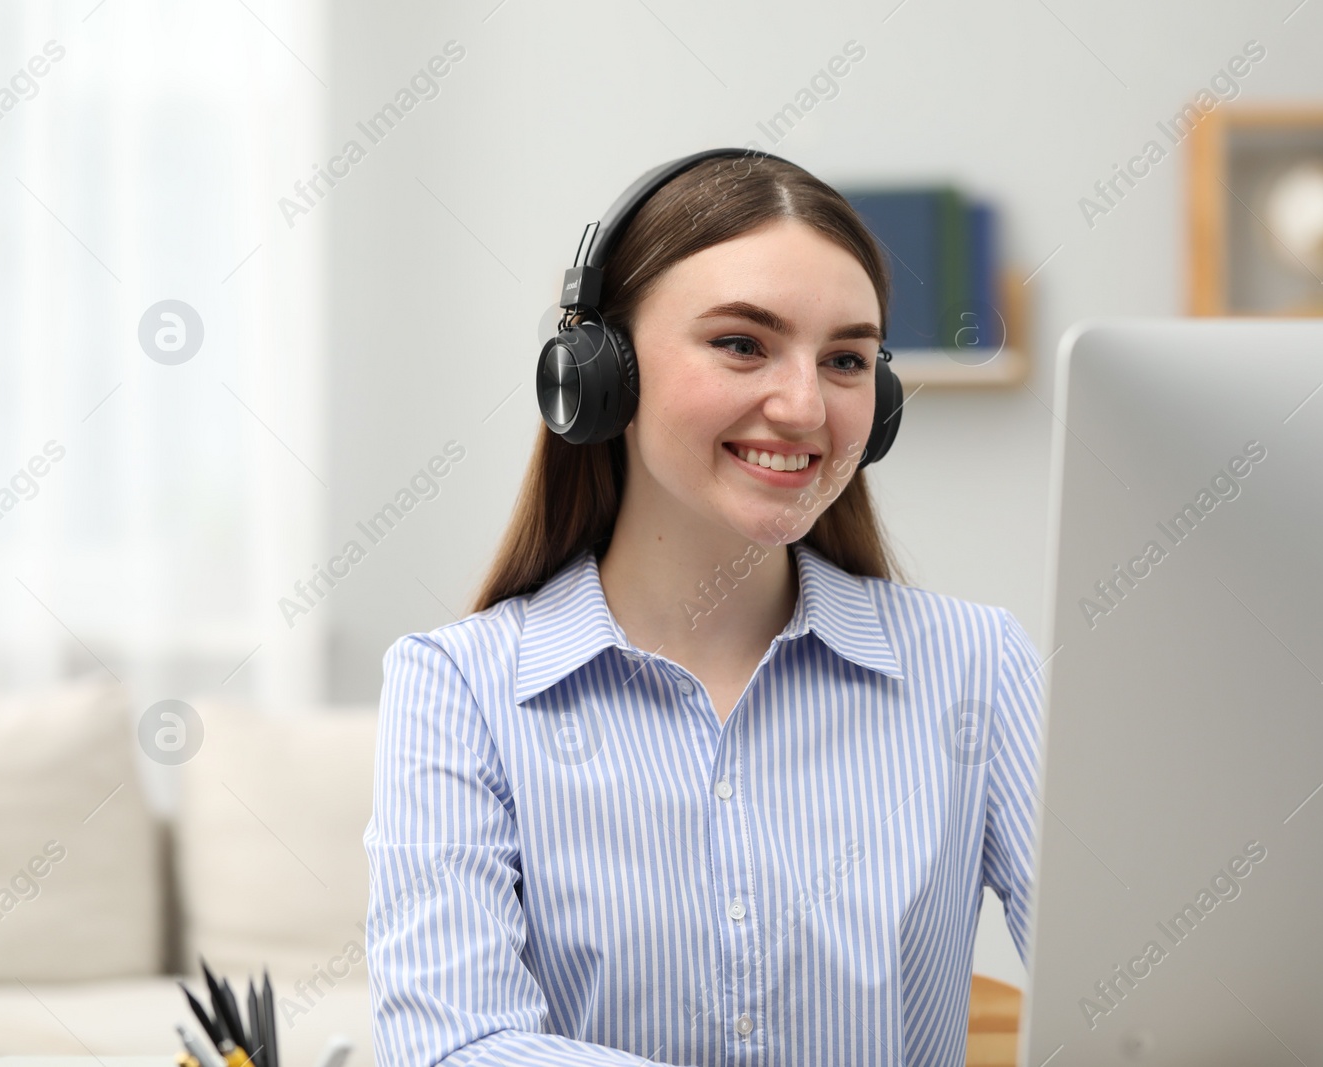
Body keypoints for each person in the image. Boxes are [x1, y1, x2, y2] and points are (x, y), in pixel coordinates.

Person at [363, 149, 1044, 1066]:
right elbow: (456, 1046)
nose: (805, 406)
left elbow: (1142, 989)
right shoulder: (457, 686)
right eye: (742, 344)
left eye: (846, 359)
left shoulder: (978, 667)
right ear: (601, 373)